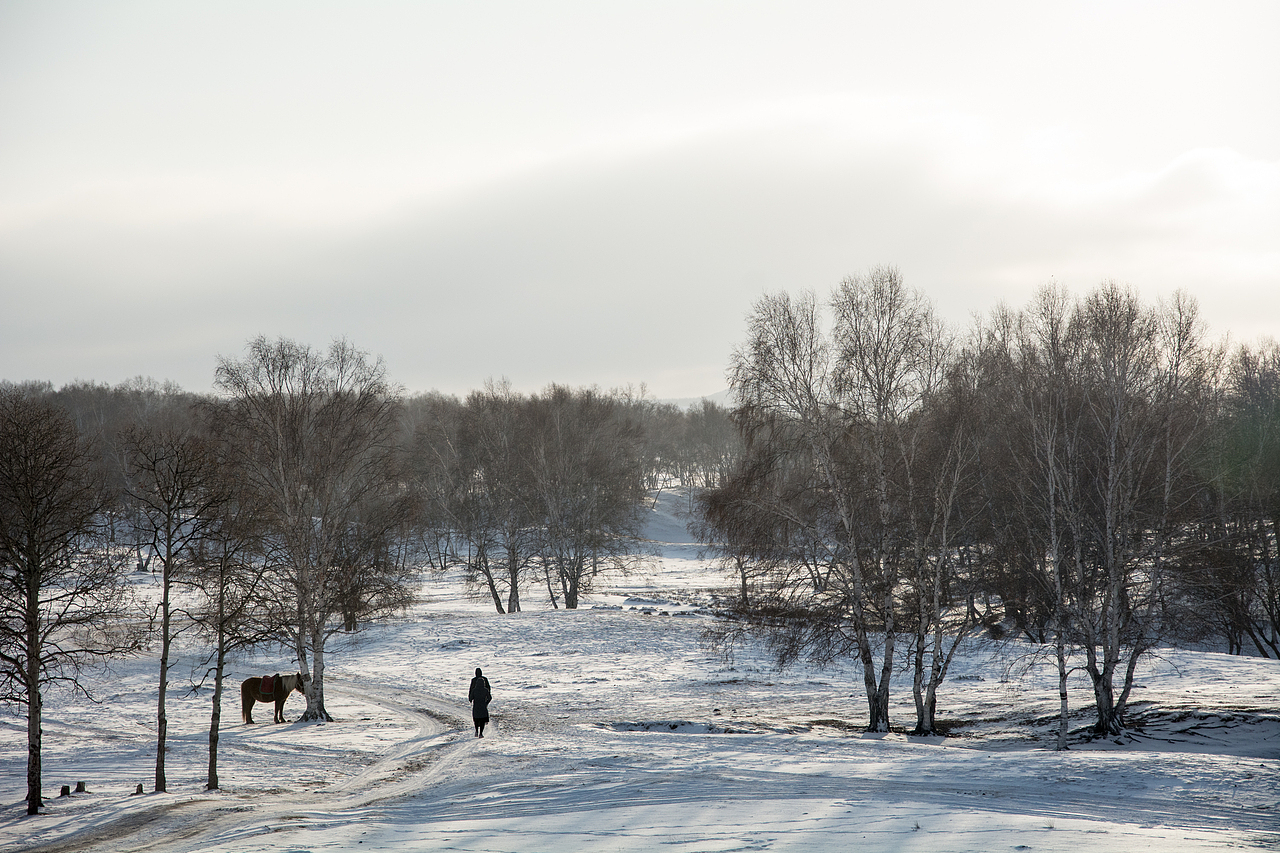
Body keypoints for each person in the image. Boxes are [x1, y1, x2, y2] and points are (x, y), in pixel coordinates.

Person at [468, 667, 491, 738]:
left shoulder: (474, 683)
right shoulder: (485, 682)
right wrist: (486, 701)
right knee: (482, 719)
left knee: (476, 719)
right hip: (483, 705)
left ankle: (476, 731)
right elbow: (489, 691)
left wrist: (470, 698)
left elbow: (470, 690)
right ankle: (481, 733)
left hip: (476, 705)